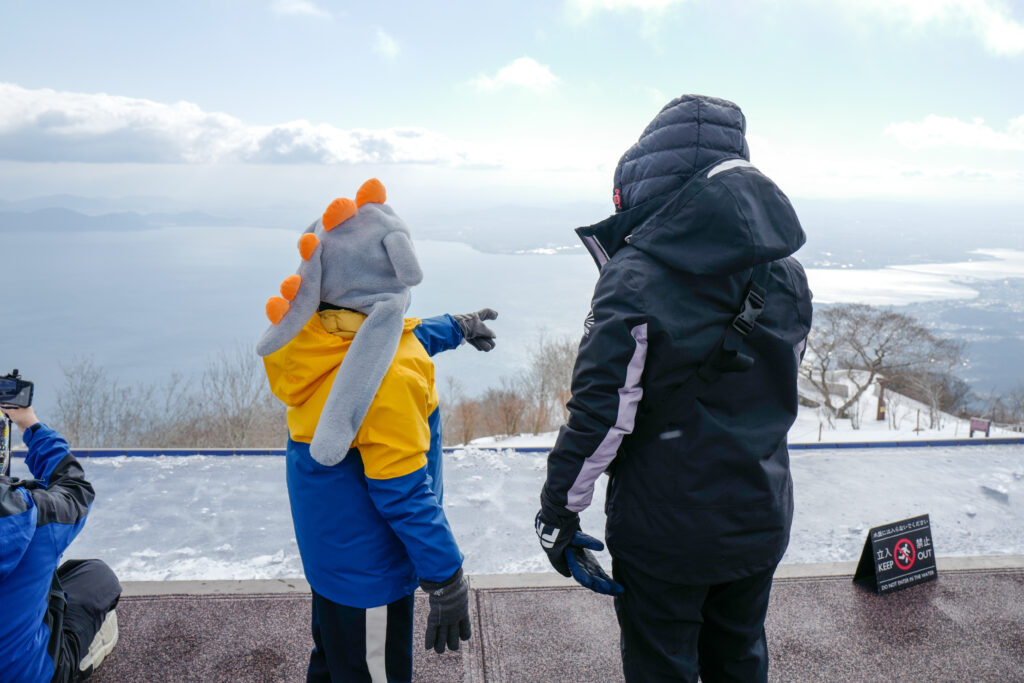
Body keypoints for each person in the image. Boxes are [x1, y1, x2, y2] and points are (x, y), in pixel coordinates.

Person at [535, 94, 813, 682]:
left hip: (665, 532)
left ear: (648, 178)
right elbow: (777, 388)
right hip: (759, 516)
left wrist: (558, 510)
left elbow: (600, 414)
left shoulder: (633, 277)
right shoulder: (786, 272)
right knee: (740, 658)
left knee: (661, 665)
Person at [258, 179, 494, 682]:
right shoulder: (387, 380)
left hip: (332, 554)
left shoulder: (318, 335)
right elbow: (403, 491)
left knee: (335, 663)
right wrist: (446, 576)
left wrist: (456, 325)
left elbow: (390, 340)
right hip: (370, 571)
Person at [0, 404, 122, 682]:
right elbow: (75, 489)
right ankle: (80, 657)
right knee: (96, 576)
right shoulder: (33, 516)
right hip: (27, 675)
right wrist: (29, 424)